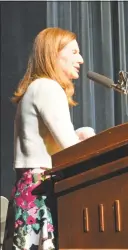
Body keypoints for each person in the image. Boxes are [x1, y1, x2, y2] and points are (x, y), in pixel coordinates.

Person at [2, 27, 95, 249]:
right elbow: (71, 151)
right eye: (74, 52)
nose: (80, 59)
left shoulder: (36, 88)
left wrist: (78, 134)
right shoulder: (48, 87)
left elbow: (49, 143)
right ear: (54, 54)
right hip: (41, 194)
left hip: (29, 191)